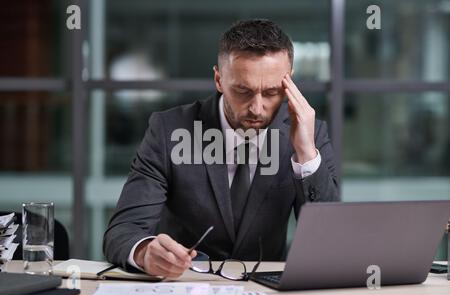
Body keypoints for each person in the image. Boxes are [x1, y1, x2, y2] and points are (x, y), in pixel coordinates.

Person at [103, 19, 339, 278]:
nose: (257, 108)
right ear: (218, 79)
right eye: (242, 91)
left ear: (288, 84)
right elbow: (122, 231)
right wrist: (145, 252)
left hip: (264, 291)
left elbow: (329, 240)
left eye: (271, 92)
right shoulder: (168, 130)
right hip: (186, 284)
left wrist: (305, 154)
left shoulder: (310, 132)